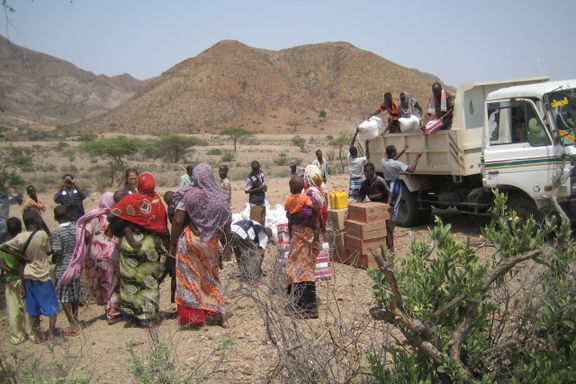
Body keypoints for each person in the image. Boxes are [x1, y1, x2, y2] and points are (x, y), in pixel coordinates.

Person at [170, 163, 232, 329]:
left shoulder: (190, 194)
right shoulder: (219, 196)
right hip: (211, 243)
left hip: (192, 241)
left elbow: (177, 220)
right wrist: (228, 247)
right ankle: (222, 317)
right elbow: (227, 225)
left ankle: (199, 320)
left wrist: (172, 244)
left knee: (191, 280)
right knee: (211, 279)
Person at [109, 172, 170, 328]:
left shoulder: (130, 200)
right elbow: (163, 229)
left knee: (132, 280)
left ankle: (135, 316)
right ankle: (149, 318)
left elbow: (111, 216)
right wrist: (169, 249)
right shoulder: (157, 203)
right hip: (149, 247)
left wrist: (129, 221)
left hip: (130, 247)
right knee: (149, 282)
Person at [60, 192, 122, 325]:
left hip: (95, 255)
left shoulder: (93, 216)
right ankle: (113, 313)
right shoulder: (115, 216)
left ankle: (107, 307)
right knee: (113, 283)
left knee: (103, 282)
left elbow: (86, 235)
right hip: (112, 254)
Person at [0, 209, 59, 344]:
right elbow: (49, 252)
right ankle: (50, 335)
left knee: (34, 307)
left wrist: (20, 255)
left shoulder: (20, 237)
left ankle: (37, 334)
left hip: (28, 276)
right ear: (36, 220)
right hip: (42, 275)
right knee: (52, 306)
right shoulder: (42, 235)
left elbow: (2, 247)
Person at [285, 164, 328, 319]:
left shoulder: (310, 195)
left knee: (303, 271)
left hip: (305, 237)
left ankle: (309, 308)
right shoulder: (321, 192)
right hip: (311, 237)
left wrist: (291, 217)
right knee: (302, 270)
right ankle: (301, 304)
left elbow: (305, 214)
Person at [0, 217, 36, 344]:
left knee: (13, 310)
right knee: (28, 308)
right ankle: (33, 334)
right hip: (24, 280)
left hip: (10, 281)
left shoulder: (3, 245)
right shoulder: (21, 244)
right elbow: (22, 264)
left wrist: (10, 272)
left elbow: (2, 265)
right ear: (21, 228)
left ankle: (17, 337)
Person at [381, 146, 422, 251]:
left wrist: (402, 152)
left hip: (388, 186)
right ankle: (390, 235)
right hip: (395, 187)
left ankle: (388, 233)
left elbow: (392, 160)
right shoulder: (397, 164)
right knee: (395, 211)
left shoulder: (383, 161)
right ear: (394, 153)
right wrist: (417, 157)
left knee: (389, 209)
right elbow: (411, 169)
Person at [52, 205, 80, 336]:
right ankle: (76, 318)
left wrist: (53, 257)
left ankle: (72, 324)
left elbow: (58, 250)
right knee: (74, 294)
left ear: (55, 218)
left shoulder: (57, 232)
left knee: (63, 298)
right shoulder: (76, 228)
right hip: (75, 266)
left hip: (63, 268)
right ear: (68, 214)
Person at [358, 163, 394, 251]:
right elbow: (361, 197)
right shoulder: (365, 184)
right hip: (374, 209)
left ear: (372, 171)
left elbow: (389, 193)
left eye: (367, 172)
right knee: (376, 229)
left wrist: (387, 206)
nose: (365, 174)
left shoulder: (380, 181)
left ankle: (390, 247)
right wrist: (356, 207)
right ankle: (379, 247)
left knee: (388, 228)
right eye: (364, 172)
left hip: (385, 207)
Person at [230, 219, 273, 284]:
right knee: (254, 254)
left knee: (239, 253)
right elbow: (262, 252)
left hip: (231, 231)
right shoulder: (264, 233)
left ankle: (244, 274)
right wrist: (258, 268)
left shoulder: (256, 225)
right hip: (242, 232)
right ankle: (254, 279)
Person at [285, 176, 318, 242]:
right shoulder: (304, 197)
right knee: (316, 227)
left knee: (289, 225)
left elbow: (287, 210)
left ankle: (291, 237)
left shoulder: (288, 198)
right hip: (304, 221)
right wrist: (315, 210)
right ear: (302, 188)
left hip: (294, 220)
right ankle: (315, 241)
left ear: (290, 188)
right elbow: (311, 206)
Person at [245, 160, 267, 225]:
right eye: (254, 169)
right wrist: (258, 189)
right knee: (255, 224)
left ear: (259, 167)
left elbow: (263, 182)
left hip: (262, 201)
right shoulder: (250, 178)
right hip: (255, 203)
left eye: (257, 169)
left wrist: (264, 188)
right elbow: (246, 190)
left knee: (262, 223)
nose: (256, 171)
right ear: (252, 169)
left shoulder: (261, 173)